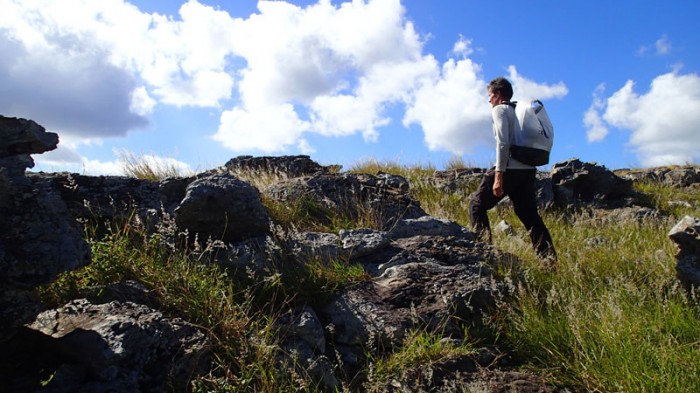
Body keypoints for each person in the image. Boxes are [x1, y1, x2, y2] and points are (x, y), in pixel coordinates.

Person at [469, 77, 556, 262]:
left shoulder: (500, 110)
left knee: (476, 205)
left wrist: (498, 176)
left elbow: (503, 143)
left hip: (509, 170)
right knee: (530, 216)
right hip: (527, 171)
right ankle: (549, 261)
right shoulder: (518, 112)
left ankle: (484, 255)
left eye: (490, 95)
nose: (489, 100)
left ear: (498, 94)